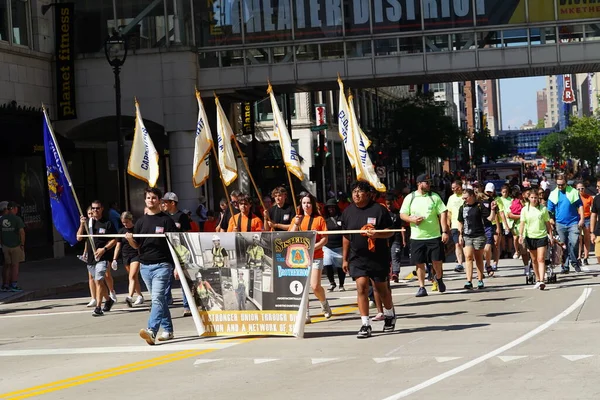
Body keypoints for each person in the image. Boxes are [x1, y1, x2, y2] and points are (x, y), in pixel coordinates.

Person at [342, 181, 395, 338]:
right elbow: (346, 237)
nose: (356, 195)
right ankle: (365, 324)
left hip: (378, 256)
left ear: (368, 194)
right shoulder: (347, 212)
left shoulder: (379, 210)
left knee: (381, 289)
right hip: (357, 256)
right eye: (354, 192)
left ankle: (390, 314)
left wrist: (377, 234)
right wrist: (345, 259)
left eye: (360, 192)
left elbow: (390, 231)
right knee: (361, 287)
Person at [125, 187, 178, 345]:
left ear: (160, 200)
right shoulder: (141, 222)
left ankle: (151, 331)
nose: (151, 200)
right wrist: (129, 239)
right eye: (148, 198)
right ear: (145, 200)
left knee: (156, 299)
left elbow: (176, 244)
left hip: (163, 265)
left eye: (154, 198)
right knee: (159, 299)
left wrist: (176, 266)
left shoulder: (166, 220)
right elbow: (137, 246)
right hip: (145, 267)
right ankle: (168, 330)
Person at [400, 174, 449, 297]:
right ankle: (421, 287)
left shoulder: (434, 197)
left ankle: (439, 278)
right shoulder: (410, 197)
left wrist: (444, 231)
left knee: (437, 261)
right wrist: (412, 219)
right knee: (419, 263)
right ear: (419, 183)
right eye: (426, 182)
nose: (429, 184)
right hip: (417, 237)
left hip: (434, 235)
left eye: (429, 182)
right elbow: (403, 214)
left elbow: (443, 213)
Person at [289, 192, 332, 324]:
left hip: (316, 256)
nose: (306, 205)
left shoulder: (319, 219)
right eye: (304, 203)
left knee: (314, 286)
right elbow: (289, 235)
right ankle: (306, 314)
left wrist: (313, 247)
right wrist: (296, 224)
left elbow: (325, 239)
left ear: (312, 205)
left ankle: (324, 303)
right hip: (300, 257)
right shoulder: (297, 218)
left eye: (308, 203)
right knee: (303, 287)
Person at [77, 200, 117, 317]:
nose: (95, 210)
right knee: (97, 281)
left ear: (102, 209)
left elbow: (114, 240)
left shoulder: (107, 223)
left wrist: (104, 249)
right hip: (91, 257)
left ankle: (98, 307)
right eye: (93, 208)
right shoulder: (87, 224)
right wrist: (81, 224)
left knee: (99, 281)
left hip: (103, 257)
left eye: (97, 208)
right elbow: (79, 238)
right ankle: (108, 300)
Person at [161, 192, 192, 316]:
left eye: (166, 202)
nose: (164, 204)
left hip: (180, 251)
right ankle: (167, 301)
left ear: (172, 203)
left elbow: (188, 233)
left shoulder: (182, 216)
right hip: (166, 251)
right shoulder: (164, 216)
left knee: (183, 278)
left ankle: (187, 305)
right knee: (166, 278)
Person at [547, 174, 584, 273]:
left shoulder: (573, 192)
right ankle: (565, 266)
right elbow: (549, 210)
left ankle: (574, 261)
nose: (560, 187)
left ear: (566, 183)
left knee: (575, 242)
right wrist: (551, 219)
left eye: (562, 184)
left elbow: (580, 205)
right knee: (563, 246)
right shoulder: (553, 194)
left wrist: (582, 219)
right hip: (560, 223)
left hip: (573, 222)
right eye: (558, 185)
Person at [458, 189, 494, 290]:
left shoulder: (479, 206)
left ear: (472, 196)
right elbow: (460, 221)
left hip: (479, 235)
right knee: (468, 257)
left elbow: (489, 219)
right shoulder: (463, 207)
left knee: (478, 258)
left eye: (466, 198)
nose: (465, 200)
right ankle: (469, 281)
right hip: (467, 235)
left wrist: (493, 210)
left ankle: (480, 279)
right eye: (463, 198)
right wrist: (460, 234)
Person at [519, 191, 553, 290]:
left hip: (541, 236)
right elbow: (522, 223)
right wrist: (521, 235)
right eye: (532, 197)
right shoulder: (525, 210)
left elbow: (548, 224)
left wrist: (550, 235)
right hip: (530, 237)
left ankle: (542, 280)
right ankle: (537, 279)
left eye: (536, 197)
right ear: (528, 198)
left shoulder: (543, 209)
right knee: (534, 260)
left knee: (541, 259)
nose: (534, 199)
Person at [113, 211, 144, 307]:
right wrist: (114, 259)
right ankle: (140, 295)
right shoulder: (121, 231)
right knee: (133, 278)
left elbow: (138, 244)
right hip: (125, 256)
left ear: (131, 219)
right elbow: (118, 246)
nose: (125, 224)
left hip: (136, 255)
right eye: (123, 222)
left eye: (126, 222)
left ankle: (129, 297)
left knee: (132, 276)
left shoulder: (136, 229)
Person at [0, 202, 26, 292]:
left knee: (7, 265)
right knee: (15, 266)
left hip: (5, 246)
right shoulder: (17, 219)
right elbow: (22, 233)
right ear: (14, 208)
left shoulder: (2, 219)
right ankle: (14, 285)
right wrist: (22, 244)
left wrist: (2, 243)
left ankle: (5, 285)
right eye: (16, 208)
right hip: (15, 246)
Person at [323, 198, 345, 292]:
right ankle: (332, 283)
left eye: (332, 207)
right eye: (328, 207)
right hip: (328, 246)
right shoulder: (325, 219)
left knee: (340, 266)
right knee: (327, 264)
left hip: (340, 246)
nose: (330, 209)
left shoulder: (342, 217)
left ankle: (341, 284)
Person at [385, 194, 406, 282]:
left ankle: (395, 273)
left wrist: (404, 239)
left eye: (390, 204)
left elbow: (402, 227)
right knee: (387, 256)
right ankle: (388, 273)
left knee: (395, 255)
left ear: (393, 203)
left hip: (396, 238)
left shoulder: (398, 213)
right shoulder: (384, 213)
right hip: (386, 238)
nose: (389, 206)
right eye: (387, 204)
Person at [446, 181, 465, 273]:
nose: (453, 190)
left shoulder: (465, 196)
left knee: (465, 244)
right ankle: (460, 263)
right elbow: (449, 212)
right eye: (452, 188)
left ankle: (470, 260)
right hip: (454, 224)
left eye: (455, 187)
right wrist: (448, 224)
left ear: (460, 187)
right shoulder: (451, 198)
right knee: (457, 244)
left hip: (466, 224)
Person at [576, 181, 592, 266]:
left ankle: (586, 257)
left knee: (586, 238)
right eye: (578, 189)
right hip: (578, 218)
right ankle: (578, 257)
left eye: (582, 188)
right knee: (579, 239)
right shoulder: (575, 197)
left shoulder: (589, 197)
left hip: (587, 218)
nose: (580, 190)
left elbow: (593, 210)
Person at [590, 178, 600, 264]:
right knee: (598, 255)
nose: (597, 188)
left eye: (599, 187)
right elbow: (593, 215)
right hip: (599, 231)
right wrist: (592, 232)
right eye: (597, 186)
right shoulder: (597, 198)